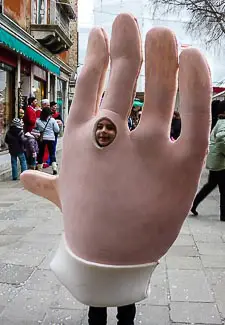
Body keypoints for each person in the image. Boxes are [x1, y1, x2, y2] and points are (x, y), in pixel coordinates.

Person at [20, 14, 211, 325]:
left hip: (120, 266)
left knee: (117, 311)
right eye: (102, 128)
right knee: (106, 311)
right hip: (96, 265)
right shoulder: (84, 145)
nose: (105, 132)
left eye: (109, 129)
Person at [191, 101, 225, 221]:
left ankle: (194, 204)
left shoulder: (219, 122)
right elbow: (222, 139)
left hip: (216, 160)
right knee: (222, 189)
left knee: (210, 185)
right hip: (221, 162)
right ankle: (223, 215)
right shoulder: (224, 123)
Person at [36, 107, 59, 174]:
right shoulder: (52, 120)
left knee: (41, 153)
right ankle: (54, 167)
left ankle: (40, 169)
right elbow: (57, 130)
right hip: (51, 138)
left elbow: (36, 129)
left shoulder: (38, 121)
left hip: (42, 139)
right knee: (52, 153)